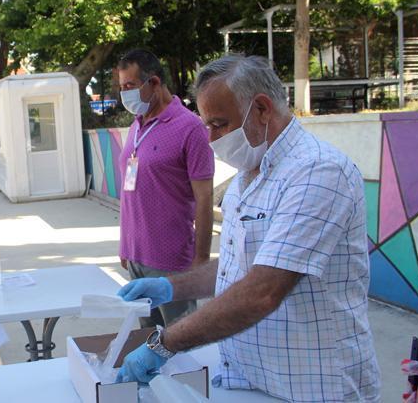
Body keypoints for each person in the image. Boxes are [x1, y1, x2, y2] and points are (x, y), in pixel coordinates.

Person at [116, 55, 381, 402]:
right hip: (252, 380)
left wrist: (165, 342)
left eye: (219, 124)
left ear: (261, 109)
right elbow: (233, 267)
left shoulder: (317, 172)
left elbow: (262, 290)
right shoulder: (248, 175)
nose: (210, 138)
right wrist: (170, 286)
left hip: (314, 386)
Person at [116, 49, 214, 329]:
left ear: (154, 83)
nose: (125, 94)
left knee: (180, 342)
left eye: (130, 86)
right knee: (147, 341)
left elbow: (204, 198)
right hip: (136, 257)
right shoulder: (137, 124)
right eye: (121, 87)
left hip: (171, 262)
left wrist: (202, 261)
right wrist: (125, 244)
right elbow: (128, 190)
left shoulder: (190, 127)